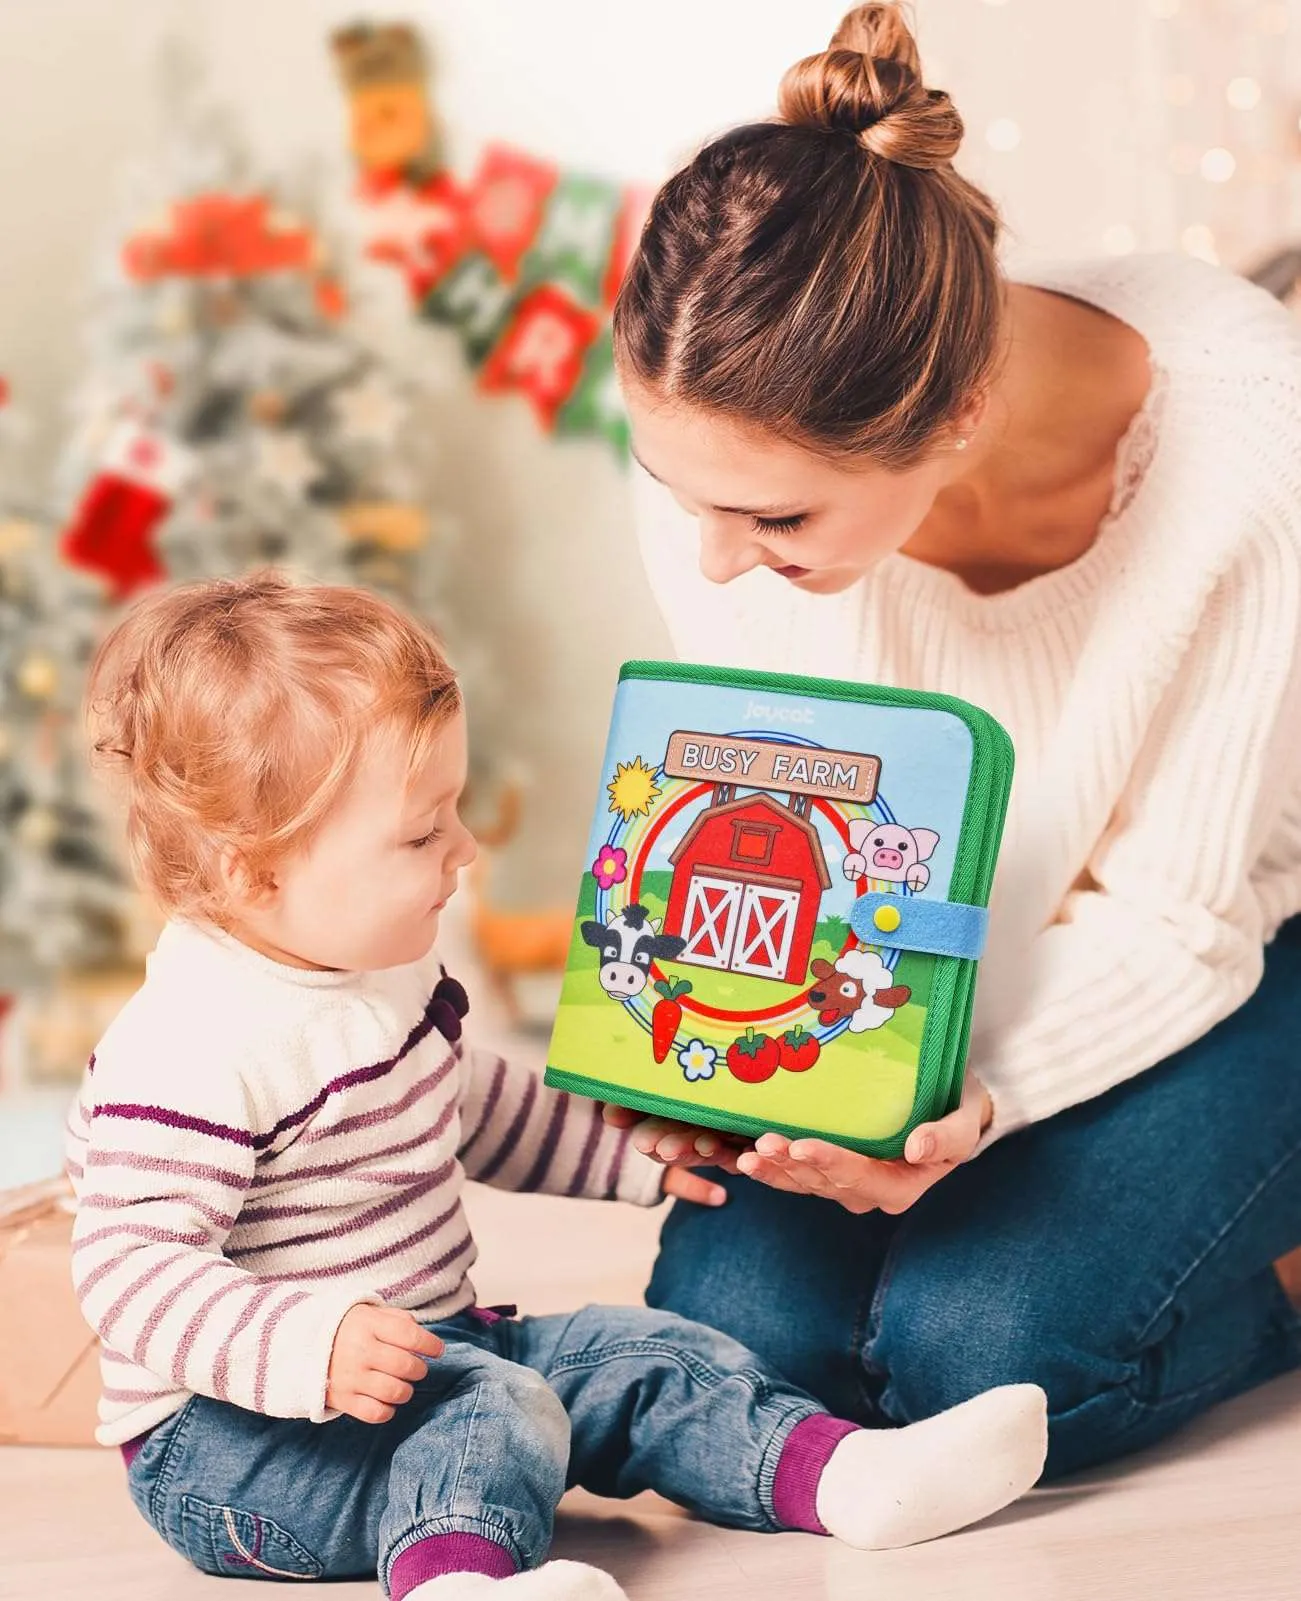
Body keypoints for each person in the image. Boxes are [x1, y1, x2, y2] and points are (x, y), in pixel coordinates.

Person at [606, 1, 1301, 1481]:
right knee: (741, 1357)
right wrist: (712, 1061)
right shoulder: (724, 442)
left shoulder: (1249, 436)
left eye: (777, 519)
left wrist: (962, 1104)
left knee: (976, 1356)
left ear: (964, 413)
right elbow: (781, 836)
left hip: (1229, 936)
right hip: (926, 958)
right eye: (685, 499)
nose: (714, 564)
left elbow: (1184, 913)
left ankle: (1280, 1273)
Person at [63, 573, 1047, 1601]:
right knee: (496, 1411)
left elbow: (466, 1100)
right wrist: (309, 1345)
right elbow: (131, 1272)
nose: (465, 851)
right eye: (419, 834)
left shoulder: (377, 966)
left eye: (451, 813)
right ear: (247, 873)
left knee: (644, 1353)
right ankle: (456, 1577)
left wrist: (636, 1150)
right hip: (237, 1444)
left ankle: (842, 1473)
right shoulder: (186, 1049)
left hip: (433, 1349)